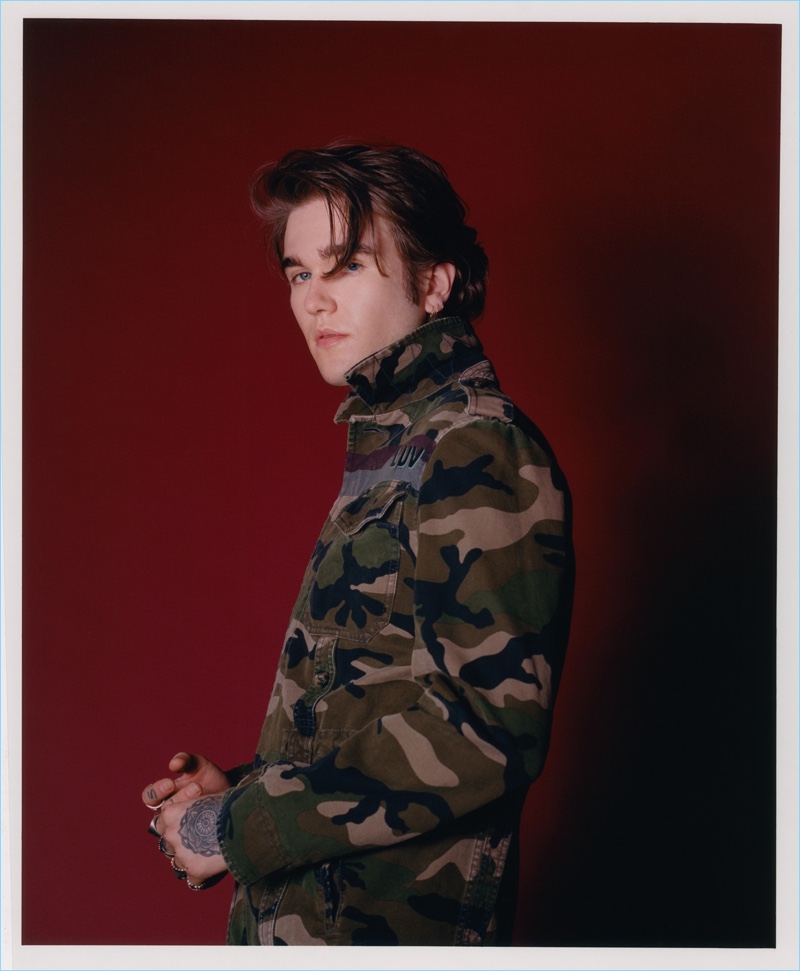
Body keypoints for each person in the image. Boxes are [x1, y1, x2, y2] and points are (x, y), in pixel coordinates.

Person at [143, 143, 574, 946]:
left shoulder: (476, 445)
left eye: (345, 266)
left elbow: (484, 730)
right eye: (298, 273)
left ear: (433, 283)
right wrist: (241, 792)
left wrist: (237, 825)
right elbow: (366, 707)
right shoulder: (395, 451)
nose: (313, 299)